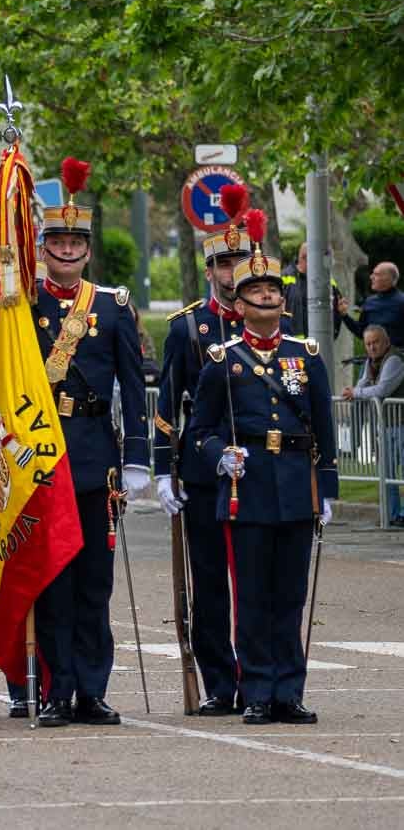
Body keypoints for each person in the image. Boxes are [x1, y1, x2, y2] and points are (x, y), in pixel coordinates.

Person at [186, 209, 337, 726]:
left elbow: (324, 426)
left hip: (295, 484)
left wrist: (330, 487)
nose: (269, 297)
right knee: (251, 597)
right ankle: (256, 691)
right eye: (258, 292)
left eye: (275, 290)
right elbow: (199, 430)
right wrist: (217, 454)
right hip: (246, 489)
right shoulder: (221, 361)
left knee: (290, 597)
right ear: (241, 304)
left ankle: (288, 692)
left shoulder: (306, 356)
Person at [13, 158, 149, 727]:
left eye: (76, 243)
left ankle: (92, 690)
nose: (67, 251)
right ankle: (56, 690)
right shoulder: (20, 303)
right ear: (43, 247)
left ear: (88, 249)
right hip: (43, 456)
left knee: (95, 582)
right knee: (53, 582)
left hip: (95, 456)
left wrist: (138, 457)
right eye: (57, 242)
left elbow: (134, 388)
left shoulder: (112, 306)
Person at [153, 211, 276, 716]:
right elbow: (167, 403)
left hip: (262, 469)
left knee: (258, 578)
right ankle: (220, 684)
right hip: (206, 470)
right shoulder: (188, 328)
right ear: (210, 271)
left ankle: (259, 678)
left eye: (240, 260)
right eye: (224, 264)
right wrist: (163, 469)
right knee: (209, 582)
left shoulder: (275, 324)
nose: (233, 272)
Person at [341, 324, 404, 525]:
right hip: (386, 425)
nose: (371, 347)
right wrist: (356, 391)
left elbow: (382, 389)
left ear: (385, 342)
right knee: (386, 474)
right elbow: (364, 385)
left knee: (395, 475)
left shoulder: (394, 359)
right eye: (368, 344)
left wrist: (356, 393)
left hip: (400, 424)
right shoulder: (370, 362)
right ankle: (392, 516)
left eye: (375, 342)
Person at [281, 243, 342, 339]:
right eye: (319, 260)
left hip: (321, 342)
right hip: (293, 344)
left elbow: (338, 309)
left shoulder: (327, 279)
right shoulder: (284, 278)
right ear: (303, 258)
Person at [339, 261, 404, 348]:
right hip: (373, 359)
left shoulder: (401, 302)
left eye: (376, 274)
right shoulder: (369, 302)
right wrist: (344, 315)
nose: (371, 277)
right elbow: (361, 332)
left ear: (389, 278)